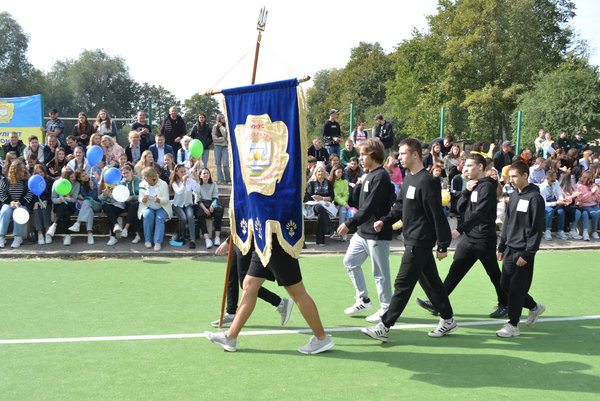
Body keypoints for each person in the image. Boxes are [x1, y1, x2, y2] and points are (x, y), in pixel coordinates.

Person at [362, 138, 457, 342]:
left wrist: (442, 243)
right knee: (432, 282)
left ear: (415, 155)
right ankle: (448, 319)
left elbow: (436, 214)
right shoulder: (408, 178)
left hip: (420, 241)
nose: (399, 157)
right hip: (410, 238)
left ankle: (385, 326)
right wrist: (384, 221)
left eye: (403, 153)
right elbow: (399, 206)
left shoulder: (428, 181)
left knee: (403, 283)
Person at [416, 153, 508, 320]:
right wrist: (466, 191)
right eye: (465, 166)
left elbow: (479, 213)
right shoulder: (474, 185)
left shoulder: (487, 186)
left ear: (480, 167)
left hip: (483, 239)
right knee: (455, 270)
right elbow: (460, 208)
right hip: (469, 238)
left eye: (469, 166)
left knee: (494, 274)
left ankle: (505, 304)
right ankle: (438, 303)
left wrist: (460, 230)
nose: (465, 169)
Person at [336, 138, 394, 324]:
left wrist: (349, 224)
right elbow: (357, 202)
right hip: (363, 232)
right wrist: (360, 183)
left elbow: (369, 207)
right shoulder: (368, 175)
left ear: (374, 155)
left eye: (363, 154)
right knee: (350, 262)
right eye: (359, 154)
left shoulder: (381, 177)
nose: (359, 158)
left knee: (380, 274)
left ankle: (386, 308)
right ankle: (363, 299)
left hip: (377, 233)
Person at [495, 161, 546, 338]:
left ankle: (513, 324)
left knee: (517, 289)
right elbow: (508, 222)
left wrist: (528, 253)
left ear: (525, 175)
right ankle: (534, 307)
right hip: (509, 248)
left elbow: (536, 228)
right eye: (510, 177)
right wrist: (501, 245)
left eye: (515, 176)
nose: (511, 180)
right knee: (505, 285)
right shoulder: (513, 196)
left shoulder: (535, 198)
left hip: (524, 251)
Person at [212, 237, 294, 328]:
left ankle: (280, 303)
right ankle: (231, 314)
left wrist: (227, 240)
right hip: (236, 239)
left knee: (246, 283)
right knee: (231, 276)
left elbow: (246, 222)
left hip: (246, 240)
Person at [0, 160, 33, 249]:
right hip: (9, 203)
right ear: (15, 170)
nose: (24, 171)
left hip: (22, 204)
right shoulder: (5, 180)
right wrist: (10, 202)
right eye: (21, 169)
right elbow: (1, 193)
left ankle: (18, 237)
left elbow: (29, 194)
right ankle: (1, 237)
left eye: (24, 169)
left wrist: (20, 202)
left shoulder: (27, 181)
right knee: (5, 211)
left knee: (19, 211)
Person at [138, 167, 172, 251]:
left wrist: (158, 199)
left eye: (146, 176)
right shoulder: (142, 184)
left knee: (159, 218)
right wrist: (143, 199)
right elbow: (140, 198)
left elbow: (166, 200)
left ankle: (157, 242)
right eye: (144, 177)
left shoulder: (163, 184)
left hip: (162, 207)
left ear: (151, 177)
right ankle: (148, 240)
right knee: (147, 215)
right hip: (148, 207)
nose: (144, 178)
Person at [46, 167, 81, 245]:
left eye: (74, 176)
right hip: (59, 205)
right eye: (71, 177)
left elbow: (74, 199)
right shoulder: (57, 183)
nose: (74, 178)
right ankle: (67, 235)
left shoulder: (76, 184)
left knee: (66, 208)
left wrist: (66, 198)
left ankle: (54, 225)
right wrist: (59, 200)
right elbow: (53, 198)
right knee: (65, 211)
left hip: (70, 205)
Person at [68, 169, 102, 245]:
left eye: (86, 174)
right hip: (86, 208)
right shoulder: (79, 186)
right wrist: (80, 197)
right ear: (79, 179)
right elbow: (78, 197)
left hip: (96, 205)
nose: (86, 177)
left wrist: (92, 188)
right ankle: (90, 234)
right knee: (89, 210)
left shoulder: (93, 181)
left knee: (87, 201)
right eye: (83, 176)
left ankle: (78, 223)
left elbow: (94, 197)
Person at [304, 165, 335, 246]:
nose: (320, 173)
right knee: (320, 207)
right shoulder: (312, 183)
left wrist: (322, 198)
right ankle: (330, 229)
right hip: (313, 206)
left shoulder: (329, 183)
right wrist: (317, 199)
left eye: (322, 171)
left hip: (326, 205)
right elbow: (310, 197)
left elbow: (332, 197)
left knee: (321, 215)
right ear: (315, 173)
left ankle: (320, 241)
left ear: (325, 173)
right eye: (319, 171)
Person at [193, 168, 223, 249]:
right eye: (204, 173)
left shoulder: (213, 184)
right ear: (200, 176)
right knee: (200, 214)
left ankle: (217, 237)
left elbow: (215, 197)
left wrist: (212, 206)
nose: (206, 175)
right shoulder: (197, 185)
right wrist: (205, 209)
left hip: (212, 203)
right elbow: (197, 199)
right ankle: (207, 239)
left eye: (207, 173)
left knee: (219, 211)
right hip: (202, 204)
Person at [171, 163, 197, 249]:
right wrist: (184, 182)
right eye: (181, 172)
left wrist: (196, 180)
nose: (183, 173)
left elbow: (197, 190)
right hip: (177, 205)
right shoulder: (175, 183)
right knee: (183, 218)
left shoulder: (190, 180)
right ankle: (181, 236)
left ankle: (192, 240)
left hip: (188, 204)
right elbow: (179, 192)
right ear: (177, 173)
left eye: (184, 171)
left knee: (190, 216)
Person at [539, 170, 569, 240]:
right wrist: (556, 203)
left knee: (561, 211)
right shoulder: (542, 187)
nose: (556, 177)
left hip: (553, 200)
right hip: (544, 203)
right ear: (549, 177)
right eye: (554, 176)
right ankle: (547, 231)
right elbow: (543, 203)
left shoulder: (556, 182)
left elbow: (559, 193)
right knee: (550, 211)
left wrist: (561, 200)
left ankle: (560, 231)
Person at [119, 165, 142, 244]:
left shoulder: (138, 181)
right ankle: (137, 235)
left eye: (127, 173)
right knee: (133, 210)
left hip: (138, 203)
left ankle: (126, 228)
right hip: (127, 204)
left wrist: (132, 197)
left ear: (132, 172)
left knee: (134, 206)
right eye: (123, 173)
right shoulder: (121, 183)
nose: (125, 175)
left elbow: (142, 194)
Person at [31, 164, 53, 245]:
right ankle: (40, 233)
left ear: (44, 172)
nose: (40, 174)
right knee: (36, 209)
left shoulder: (50, 180)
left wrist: (46, 201)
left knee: (44, 208)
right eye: (37, 173)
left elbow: (52, 195)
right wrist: (35, 202)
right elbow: (32, 196)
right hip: (37, 201)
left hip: (48, 202)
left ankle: (47, 232)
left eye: (41, 172)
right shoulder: (33, 181)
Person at [575, 171, 600, 241]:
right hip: (584, 205)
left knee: (597, 212)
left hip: (593, 205)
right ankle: (594, 231)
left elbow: (597, 197)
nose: (592, 180)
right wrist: (591, 192)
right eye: (591, 178)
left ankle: (596, 231)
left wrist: (596, 194)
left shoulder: (593, 185)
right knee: (595, 213)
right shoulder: (579, 186)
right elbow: (581, 199)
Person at [329, 165, 350, 241]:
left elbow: (346, 194)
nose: (340, 173)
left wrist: (343, 203)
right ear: (334, 172)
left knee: (343, 211)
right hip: (333, 203)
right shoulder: (331, 182)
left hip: (343, 204)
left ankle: (342, 233)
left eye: (341, 172)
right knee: (344, 208)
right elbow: (334, 195)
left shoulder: (345, 182)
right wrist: (343, 203)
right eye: (338, 172)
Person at [211, 113, 231, 184]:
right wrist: (222, 139)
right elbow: (214, 138)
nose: (223, 119)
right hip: (217, 146)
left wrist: (221, 127)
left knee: (225, 164)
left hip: (225, 147)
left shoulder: (226, 126)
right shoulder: (214, 127)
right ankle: (220, 180)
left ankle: (228, 179)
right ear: (218, 119)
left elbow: (225, 135)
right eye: (222, 118)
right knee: (218, 164)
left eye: (224, 118)